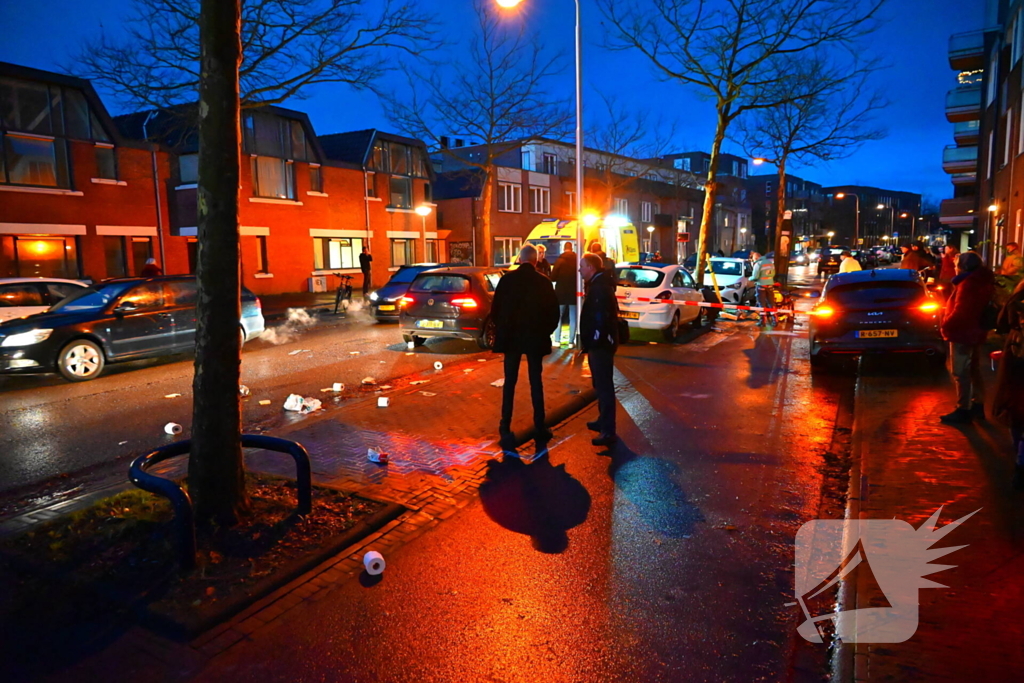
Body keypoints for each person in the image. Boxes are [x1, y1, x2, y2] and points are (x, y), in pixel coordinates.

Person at [491, 244, 561, 449]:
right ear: (536, 260)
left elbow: (495, 310)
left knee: (509, 382)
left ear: (520, 259)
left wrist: (503, 330)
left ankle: (505, 426)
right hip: (534, 339)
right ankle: (539, 425)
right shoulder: (543, 282)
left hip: (511, 339)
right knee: (535, 381)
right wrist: (544, 332)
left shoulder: (506, 280)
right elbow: (553, 313)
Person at [939, 251, 995, 424]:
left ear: (963, 266)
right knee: (973, 370)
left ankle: (963, 408)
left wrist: (946, 325)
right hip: (976, 331)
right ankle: (978, 404)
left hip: (962, 333)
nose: (955, 268)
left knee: (960, 371)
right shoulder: (982, 281)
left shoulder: (967, 284)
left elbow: (962, 311)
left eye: (957, 265)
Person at [579, 252, 620, 447]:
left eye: (582, 266)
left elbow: (600, 318)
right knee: (600, 384)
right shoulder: (598, 284)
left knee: (604, 386)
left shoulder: (599, 288)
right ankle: (603, 420)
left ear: (591, 268)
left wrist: (594, 339)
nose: (579, 270)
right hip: (600, 342)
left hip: (601, 344)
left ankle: (608, 430)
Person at [992, 279, 1024, 488]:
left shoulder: (1018, 297)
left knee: (1017, 412)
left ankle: (1019, 463)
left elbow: (1001, 323)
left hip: (1017, 360)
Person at [549, 242, 578, 347]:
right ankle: (571, 341)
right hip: (574, 291)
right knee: (573, 317)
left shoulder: (559, 260)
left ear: (563, 248)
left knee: (559, 316)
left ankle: (557, 340)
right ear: (572, 248)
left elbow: (553, 277)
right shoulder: (577, 260)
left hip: (560, 292)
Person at [750, 251, 777, 326]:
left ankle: (763, 321)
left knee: (761, 303)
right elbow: (773, 273)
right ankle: (775, 319)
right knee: (771, 302)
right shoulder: (770, 262)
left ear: (756, 258)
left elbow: (755, 277)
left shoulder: (758, 264)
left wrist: (750, 278)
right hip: (770, 285)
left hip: (761, 286)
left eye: (753, 259)